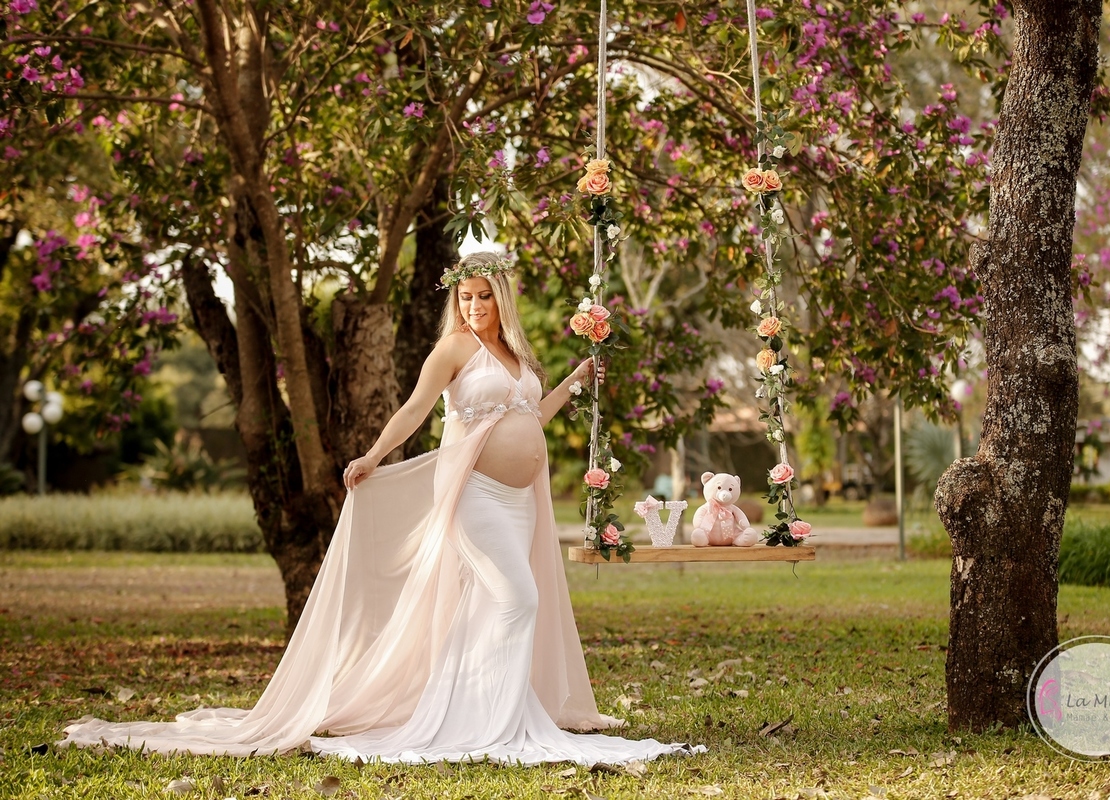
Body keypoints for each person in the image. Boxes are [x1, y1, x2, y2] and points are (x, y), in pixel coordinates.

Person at [62, 252, 700, 766]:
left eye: (484, 296)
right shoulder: (454, 350)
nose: (474, 306)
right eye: (466, 296)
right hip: (474, 495)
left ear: (503, 300)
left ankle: (486, 705)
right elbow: (416, 409)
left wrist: (571, 383)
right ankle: (486, 721)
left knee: (492, 605)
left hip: (519, 504)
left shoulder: (519, 357)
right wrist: (372, 455)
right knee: (517, 598)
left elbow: (529, 416)